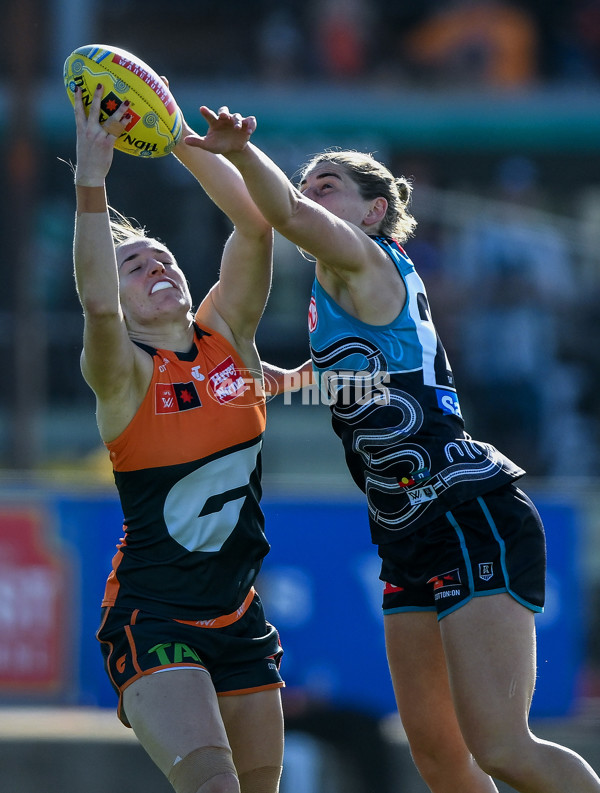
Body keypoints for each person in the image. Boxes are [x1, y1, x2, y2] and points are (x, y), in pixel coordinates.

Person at [184, 109, 600, 793]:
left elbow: (279, 209)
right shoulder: (346, 279)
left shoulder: (363, 256)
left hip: (468, 509)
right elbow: (378, 370)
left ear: (375, 211)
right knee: (438, 756)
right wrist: (290, 381)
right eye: (309, 182)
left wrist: (243, 152)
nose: (311, 192)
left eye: (329, 185)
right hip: (408, 530)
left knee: (501, 745)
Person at [71, 86, 285, 793]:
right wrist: (91, 183)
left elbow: (255, 225)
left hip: (239, 614)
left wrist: (181, 139)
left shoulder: (229, 339)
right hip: (152, 614)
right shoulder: (123, 372)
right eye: (137, 265)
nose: (156, 266)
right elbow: (98, 302)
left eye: (163, 257)